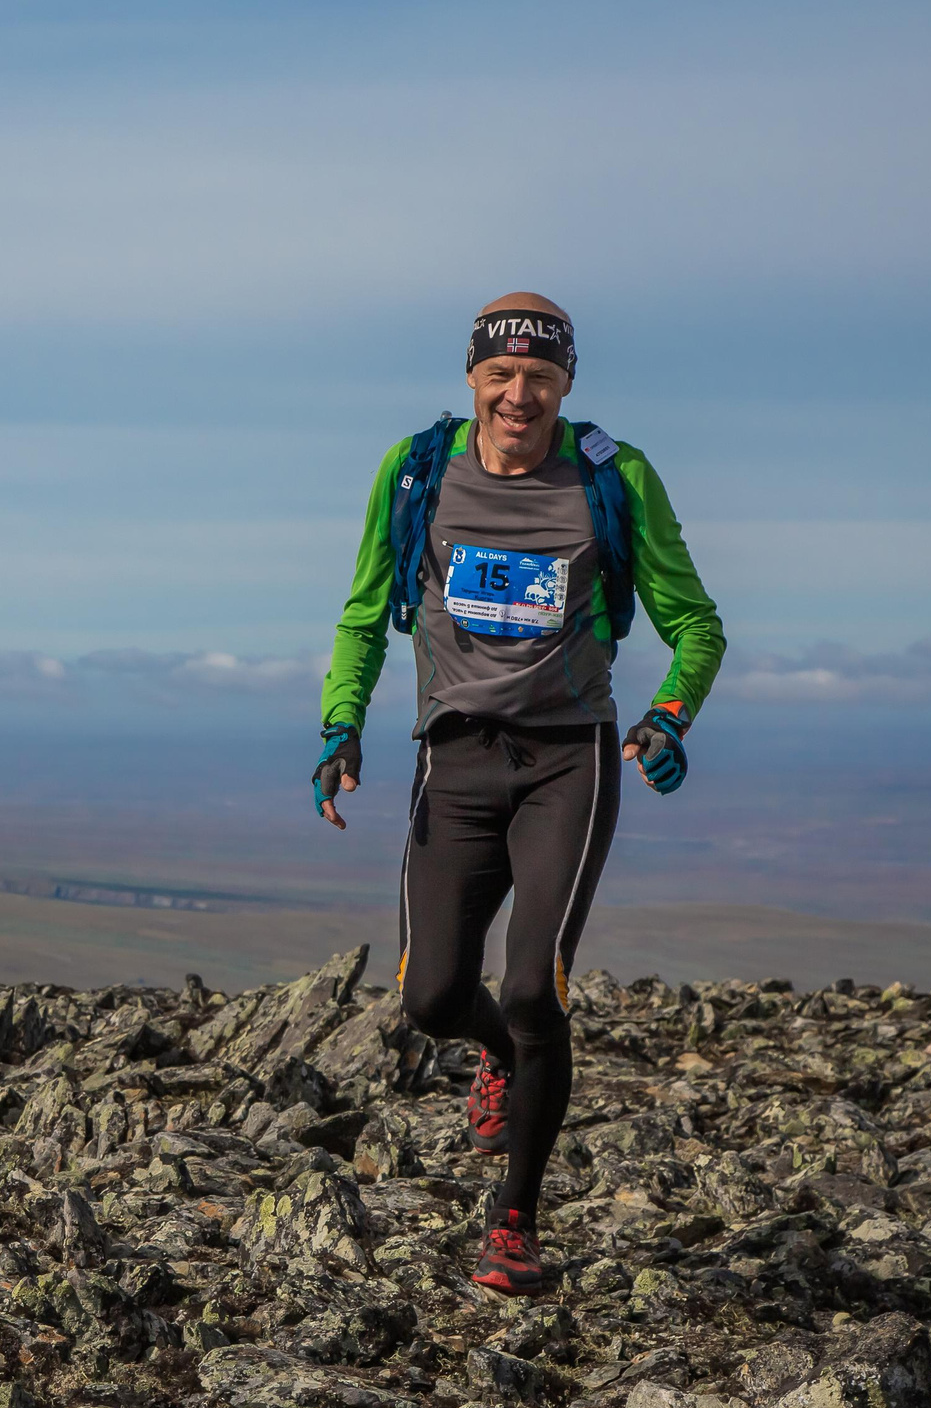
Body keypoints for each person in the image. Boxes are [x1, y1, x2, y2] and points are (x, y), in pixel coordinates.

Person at [310, 294, 724, 1295]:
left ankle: (515, 1226)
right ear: (472, 380)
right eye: (500, 375)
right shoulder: (415, 470)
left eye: (539, 377)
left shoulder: (612, 475)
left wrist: (668, 716)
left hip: (566, 763)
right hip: (452, 759)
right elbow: (365, 612)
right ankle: (493, 1055)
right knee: (432, 997)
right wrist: (340, 723)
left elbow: (694, 624)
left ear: (565, 384)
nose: (517, 395)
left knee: (536, 988)